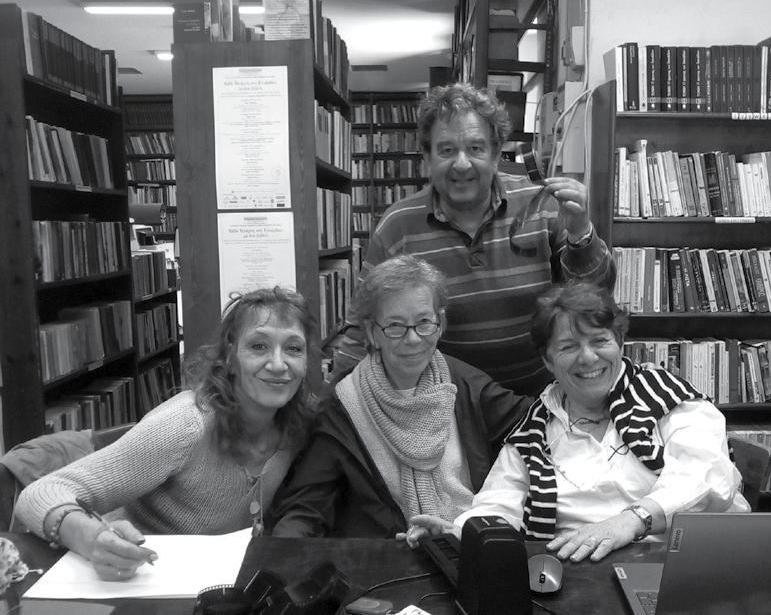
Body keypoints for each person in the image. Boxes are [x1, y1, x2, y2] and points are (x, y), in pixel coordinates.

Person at [404, 282, 749, 562]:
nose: (588, 357)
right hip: (574, 575)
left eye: (600, 341)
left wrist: (630, 521)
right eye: (569, 347)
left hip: (678, 565)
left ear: (619, 343)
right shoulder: (535, 428)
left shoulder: (671, 399)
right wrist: (459, 533)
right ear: (548, 360)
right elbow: (500, 502)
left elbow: (709, 478)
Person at [15, 286, 318, 580]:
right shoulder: (185, 425)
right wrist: (94, 539)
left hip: (217, 581)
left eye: (293, 348)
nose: (278, 364)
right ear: (230, 358)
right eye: (258, 346)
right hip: (135, 579)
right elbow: (40, 494)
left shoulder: (301, 426)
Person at [332, 83, 614, 397]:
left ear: (495, 153)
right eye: (446, 150)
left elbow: (596, 298)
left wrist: (581, 234)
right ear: (427, 157)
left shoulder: (543, 207)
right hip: (445, 409)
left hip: (540, 402)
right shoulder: (397, 227)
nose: (462, 163)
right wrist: (334, 405)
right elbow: (362, 327)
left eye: (476, 148)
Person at [268, 255, 533, 538]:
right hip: (388, 556)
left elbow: (540, 429)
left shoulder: (468, 386)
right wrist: (280, 553)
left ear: (440, 323)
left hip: (469, 545)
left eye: (424, 322)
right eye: (395, 325)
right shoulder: (341, 407)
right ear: (372, 333)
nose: (413, 339)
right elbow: (307, 509)